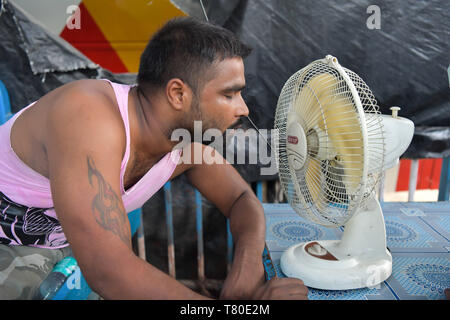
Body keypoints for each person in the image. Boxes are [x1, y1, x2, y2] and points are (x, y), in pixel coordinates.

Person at [0, 17, 308, 300]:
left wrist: (247, 264)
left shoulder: (181, 141)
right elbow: (109, 271)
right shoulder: (87, 117)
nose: (243, 109)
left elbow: (240, 198)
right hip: (12, 249)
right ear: (177, 94)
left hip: (74, 251)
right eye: (229, 94)